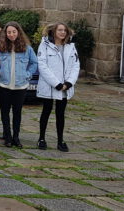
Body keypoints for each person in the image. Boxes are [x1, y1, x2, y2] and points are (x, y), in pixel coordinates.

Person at [37, 22, 80, 152]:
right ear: (54, 31)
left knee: (60, 113)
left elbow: (75, 66)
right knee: (46, 110)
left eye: (64, 30)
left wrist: (69, 83)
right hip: (50, 86)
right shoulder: (44, 45)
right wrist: (56, 83)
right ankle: (41, 138)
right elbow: (42, 66)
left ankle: (60, 140)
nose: (62, 33)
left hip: (65, 87)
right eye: (60, 30)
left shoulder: (70, 47)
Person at [0, 21, 38, 148]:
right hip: (4, 86)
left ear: (18, 32)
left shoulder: (27, 48)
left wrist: (27, 74)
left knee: (17, 113)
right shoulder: (0, 48)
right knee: (4, 112)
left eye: (14, 32)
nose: (11, 34)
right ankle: (7, 137)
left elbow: (34, 63)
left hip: (20, 86)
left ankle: (16, 137)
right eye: (9, 32)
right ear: (5, 33)